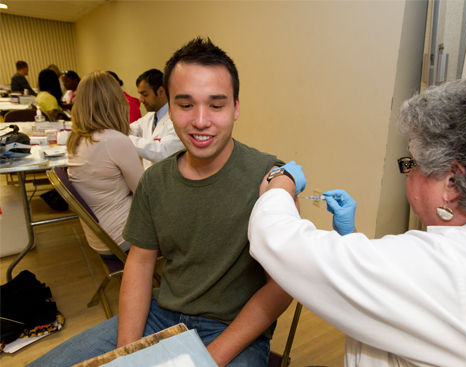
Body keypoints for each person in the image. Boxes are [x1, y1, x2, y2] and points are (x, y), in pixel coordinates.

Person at [248, 70, 466, 367]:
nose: (408, 173)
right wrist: (350, 238)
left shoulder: (446, 267)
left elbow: (276, 240)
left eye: (412, 163)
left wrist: (281, 184)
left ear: (453, 184)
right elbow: (386, 295)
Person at [27, 37, 293, 367]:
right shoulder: (155, 181)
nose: (200, 120)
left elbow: (281, 288)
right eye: (185, 105)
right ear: (170, 110)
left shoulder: (269, 180)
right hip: (161, 314)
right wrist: (126, 355)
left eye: (216, 104)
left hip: (234, 329)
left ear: (236, 107)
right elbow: (139, 265)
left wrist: (207, 360)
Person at [66, 71, 143, 258]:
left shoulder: (76, 139)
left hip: (100, 236)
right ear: (115, 101)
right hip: (122, 236)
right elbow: (144, 194)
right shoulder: (113, 140)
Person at [128, 68, 184, 169]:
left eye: (145, 94)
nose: (140, 99)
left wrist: (127, 140)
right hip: (150, 179)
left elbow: (163, 152)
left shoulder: (178, 117)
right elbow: (128, 130)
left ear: (161, 92)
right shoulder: (149, 118)